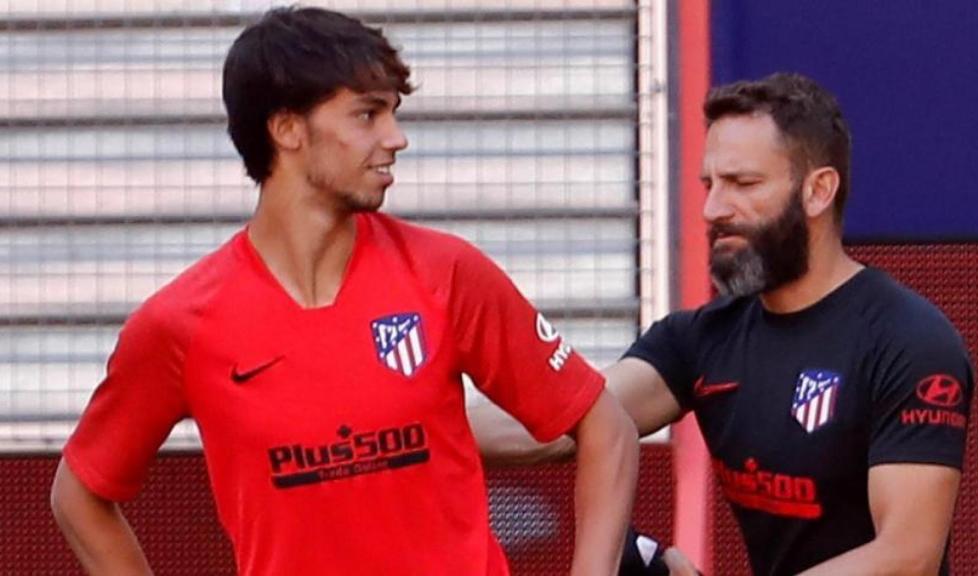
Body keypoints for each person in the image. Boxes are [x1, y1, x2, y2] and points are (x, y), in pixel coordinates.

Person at [49, 7, 639, 576]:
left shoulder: (448, 273)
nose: (396, 138)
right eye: (367, 115)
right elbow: (79, 496)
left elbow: (605, 425)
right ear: (287, 129)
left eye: (393, 113)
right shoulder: (179, 323)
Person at [473, 72, 973, 576]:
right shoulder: (699, 339)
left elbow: (907, 556)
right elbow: (565, 423)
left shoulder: (909, 341)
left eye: (743, 184)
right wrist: (425, 419)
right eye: (709, 185)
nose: (713, 209)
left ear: (818, 191)